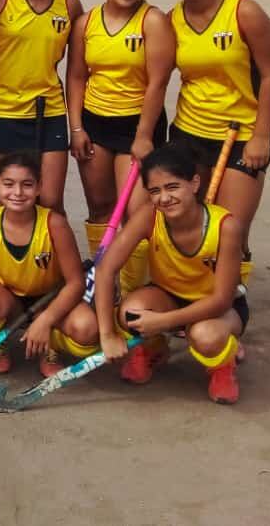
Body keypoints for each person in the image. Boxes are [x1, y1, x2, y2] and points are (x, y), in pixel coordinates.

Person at [165, 0, 270, 281]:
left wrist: (262, 135)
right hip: (188, 133)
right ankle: (193, 294)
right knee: (192, 224)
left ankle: (232, 302)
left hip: (242, 135)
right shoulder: (171, 20)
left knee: (231, 230)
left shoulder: (244, 10)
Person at [93, 145, 249, 404]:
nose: (164, 198)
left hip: (219, 307)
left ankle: (223, 365)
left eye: (172, 187)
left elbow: (221, 300)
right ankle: (154, 349)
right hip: (169, 296)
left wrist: (163, 322)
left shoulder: (226, 226)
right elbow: (105, 269)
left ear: (195, 183)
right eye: (155, 191)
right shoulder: (149, 217)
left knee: (205, 336)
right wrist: (107, 334)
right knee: (129, 313)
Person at [66, 0, 174, 294]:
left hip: (137, 127)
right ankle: (104, 282)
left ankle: (131, 290)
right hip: (96, 125)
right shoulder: (86, 22)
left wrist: (144, 136)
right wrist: (77, 128)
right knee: (99, 208)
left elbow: (158, 81)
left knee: (135, 213)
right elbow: (78, 76)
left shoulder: (153, 20)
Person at [0, 152, 98, 377]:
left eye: (27, 185)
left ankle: (51, 345)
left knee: (86, 328)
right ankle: (2, 339)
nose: (17, 193)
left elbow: (75, 283)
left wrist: (46, 319)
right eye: (9, 184)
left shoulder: (54, 224)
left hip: (50, 300)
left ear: (39, 187)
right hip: (10, 299)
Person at [0, 0, 83, 213]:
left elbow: (77, 69)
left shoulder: (69, 4)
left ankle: (52, 258)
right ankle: (7, 258)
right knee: (12, 201)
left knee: (50, 201)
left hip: (49, 110)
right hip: (3, 111)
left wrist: (76, 127)